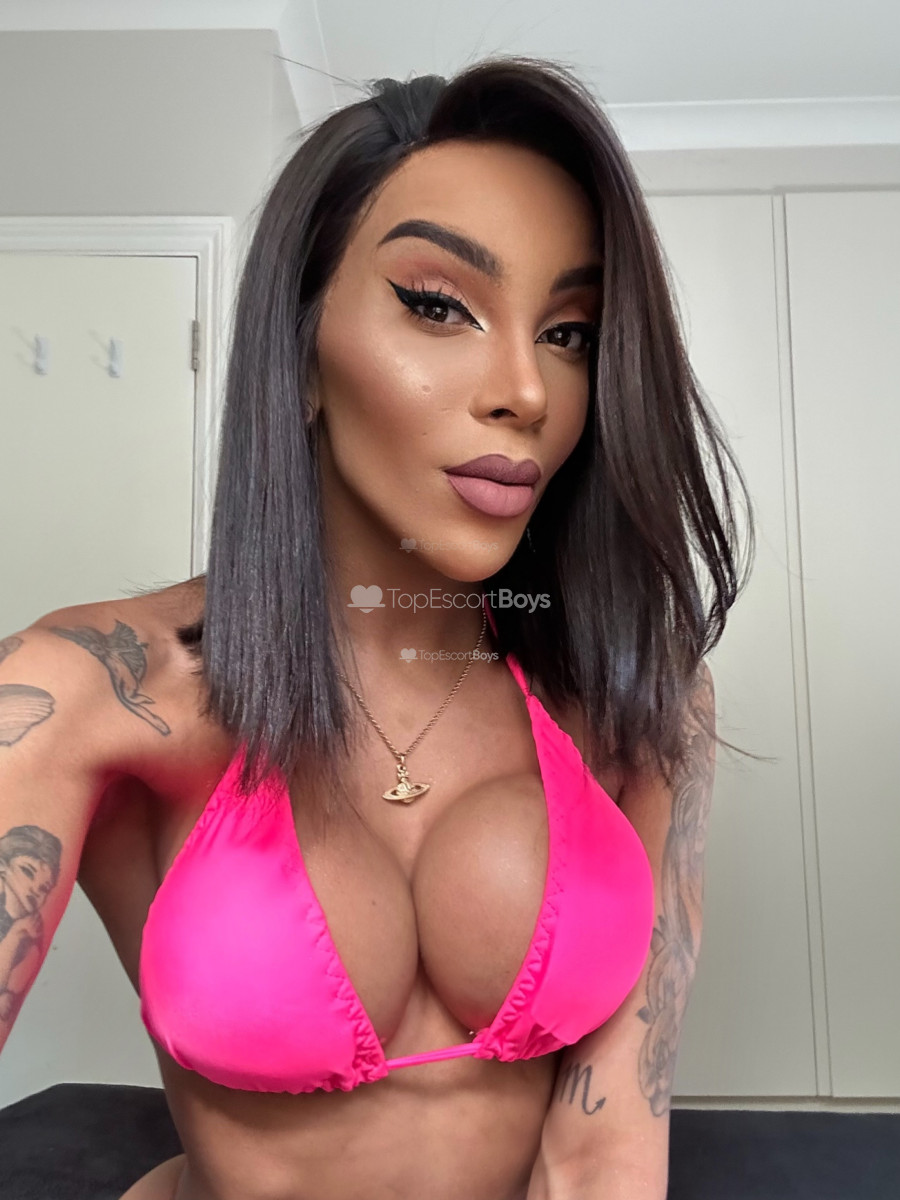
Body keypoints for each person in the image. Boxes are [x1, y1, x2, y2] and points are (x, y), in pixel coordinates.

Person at [0, 54, 754, 1200]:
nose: (527, 391)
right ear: (300, 351)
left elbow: (607, 1150)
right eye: (438, 306)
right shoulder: (86, 691)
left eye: (570, 332)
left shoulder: (639, 700)